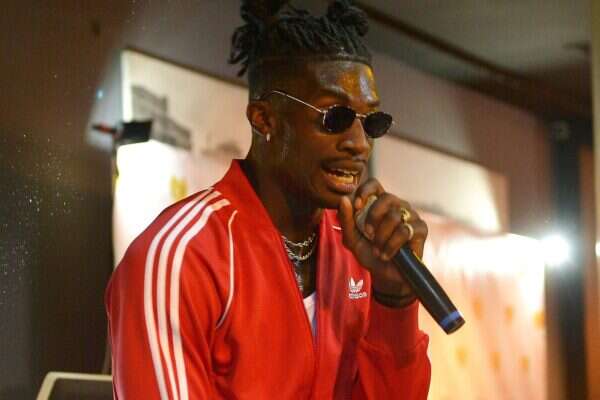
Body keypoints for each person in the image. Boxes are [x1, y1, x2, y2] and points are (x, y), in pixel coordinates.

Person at [105, 1, 431, 398]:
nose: (359, 144)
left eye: (372, 123)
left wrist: (394, 298)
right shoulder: (181, 256)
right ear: (264, 119)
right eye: (335, 118)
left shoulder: (358, 252)